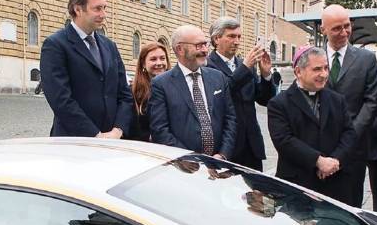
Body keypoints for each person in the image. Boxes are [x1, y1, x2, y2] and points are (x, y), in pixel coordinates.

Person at [40, 0, 133, 138]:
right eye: (97, 9)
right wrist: (95, 135)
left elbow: (124, 94)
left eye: (104, 8)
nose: (104, 14)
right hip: (74, 141)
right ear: (78, 9)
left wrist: (118, 130)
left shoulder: (110, 46)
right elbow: (60, 99)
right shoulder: (55, 45)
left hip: (112, 140)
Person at [267, 47, 357, 204]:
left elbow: (349, 133)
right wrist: (318, 161)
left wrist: (335, 161)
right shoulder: (279, 103)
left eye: (326, 68)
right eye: (317, 69)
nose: (324, 74)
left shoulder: (337, 100)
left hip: (336, 182)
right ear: (298, 72)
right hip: (298, 183)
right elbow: (284, 140)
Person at [321, 5, 377, 209]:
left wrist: (350, 136)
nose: (344, 32)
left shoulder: (366, 59)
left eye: (347, 26)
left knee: (350, 206)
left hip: (354, 150)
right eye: (337, 28)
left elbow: (371, 101)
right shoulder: (312, 58)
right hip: (319, 148)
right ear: (323, 29)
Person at [148, 25, 237, 158]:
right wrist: (190, 159)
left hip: (219, 162)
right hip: (182, 165)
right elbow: (160, 130)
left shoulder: (218, 78)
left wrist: (223, 154)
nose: (205, 50)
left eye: (205, 44)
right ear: (180, 49)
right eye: (199, 45)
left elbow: (230, 119)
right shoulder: (161, 84)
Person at [206, 17, 276, 170]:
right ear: (216, 39)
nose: (237, 41)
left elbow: (264, 99)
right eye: (231, 36)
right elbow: (223, 94)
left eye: (239, 37)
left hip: (251, 145)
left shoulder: (244, 64)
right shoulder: (207, 66)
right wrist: (245, 67)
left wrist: (266, 75)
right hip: (227, 146)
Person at [128, 42, 171, 142]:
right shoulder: (133, 92)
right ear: (143, 63)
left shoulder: (176, 87)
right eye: (153, 59)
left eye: (162, 58)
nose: (159, 63)